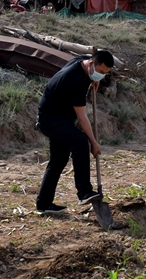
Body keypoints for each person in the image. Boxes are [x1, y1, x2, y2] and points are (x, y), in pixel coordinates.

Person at [35, 50, 114, 213]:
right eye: (100, 72)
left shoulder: (84, 62)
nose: (101, 76)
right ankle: (84, 192)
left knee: (58, 159)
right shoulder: (75, 80)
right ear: (92, 65)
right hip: (50, 119)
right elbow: (82, 117)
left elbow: (88, 61)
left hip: (60, 118)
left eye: (105, 74)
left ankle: (43, 204)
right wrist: (93, 142)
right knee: (80, 142)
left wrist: (93, 80)